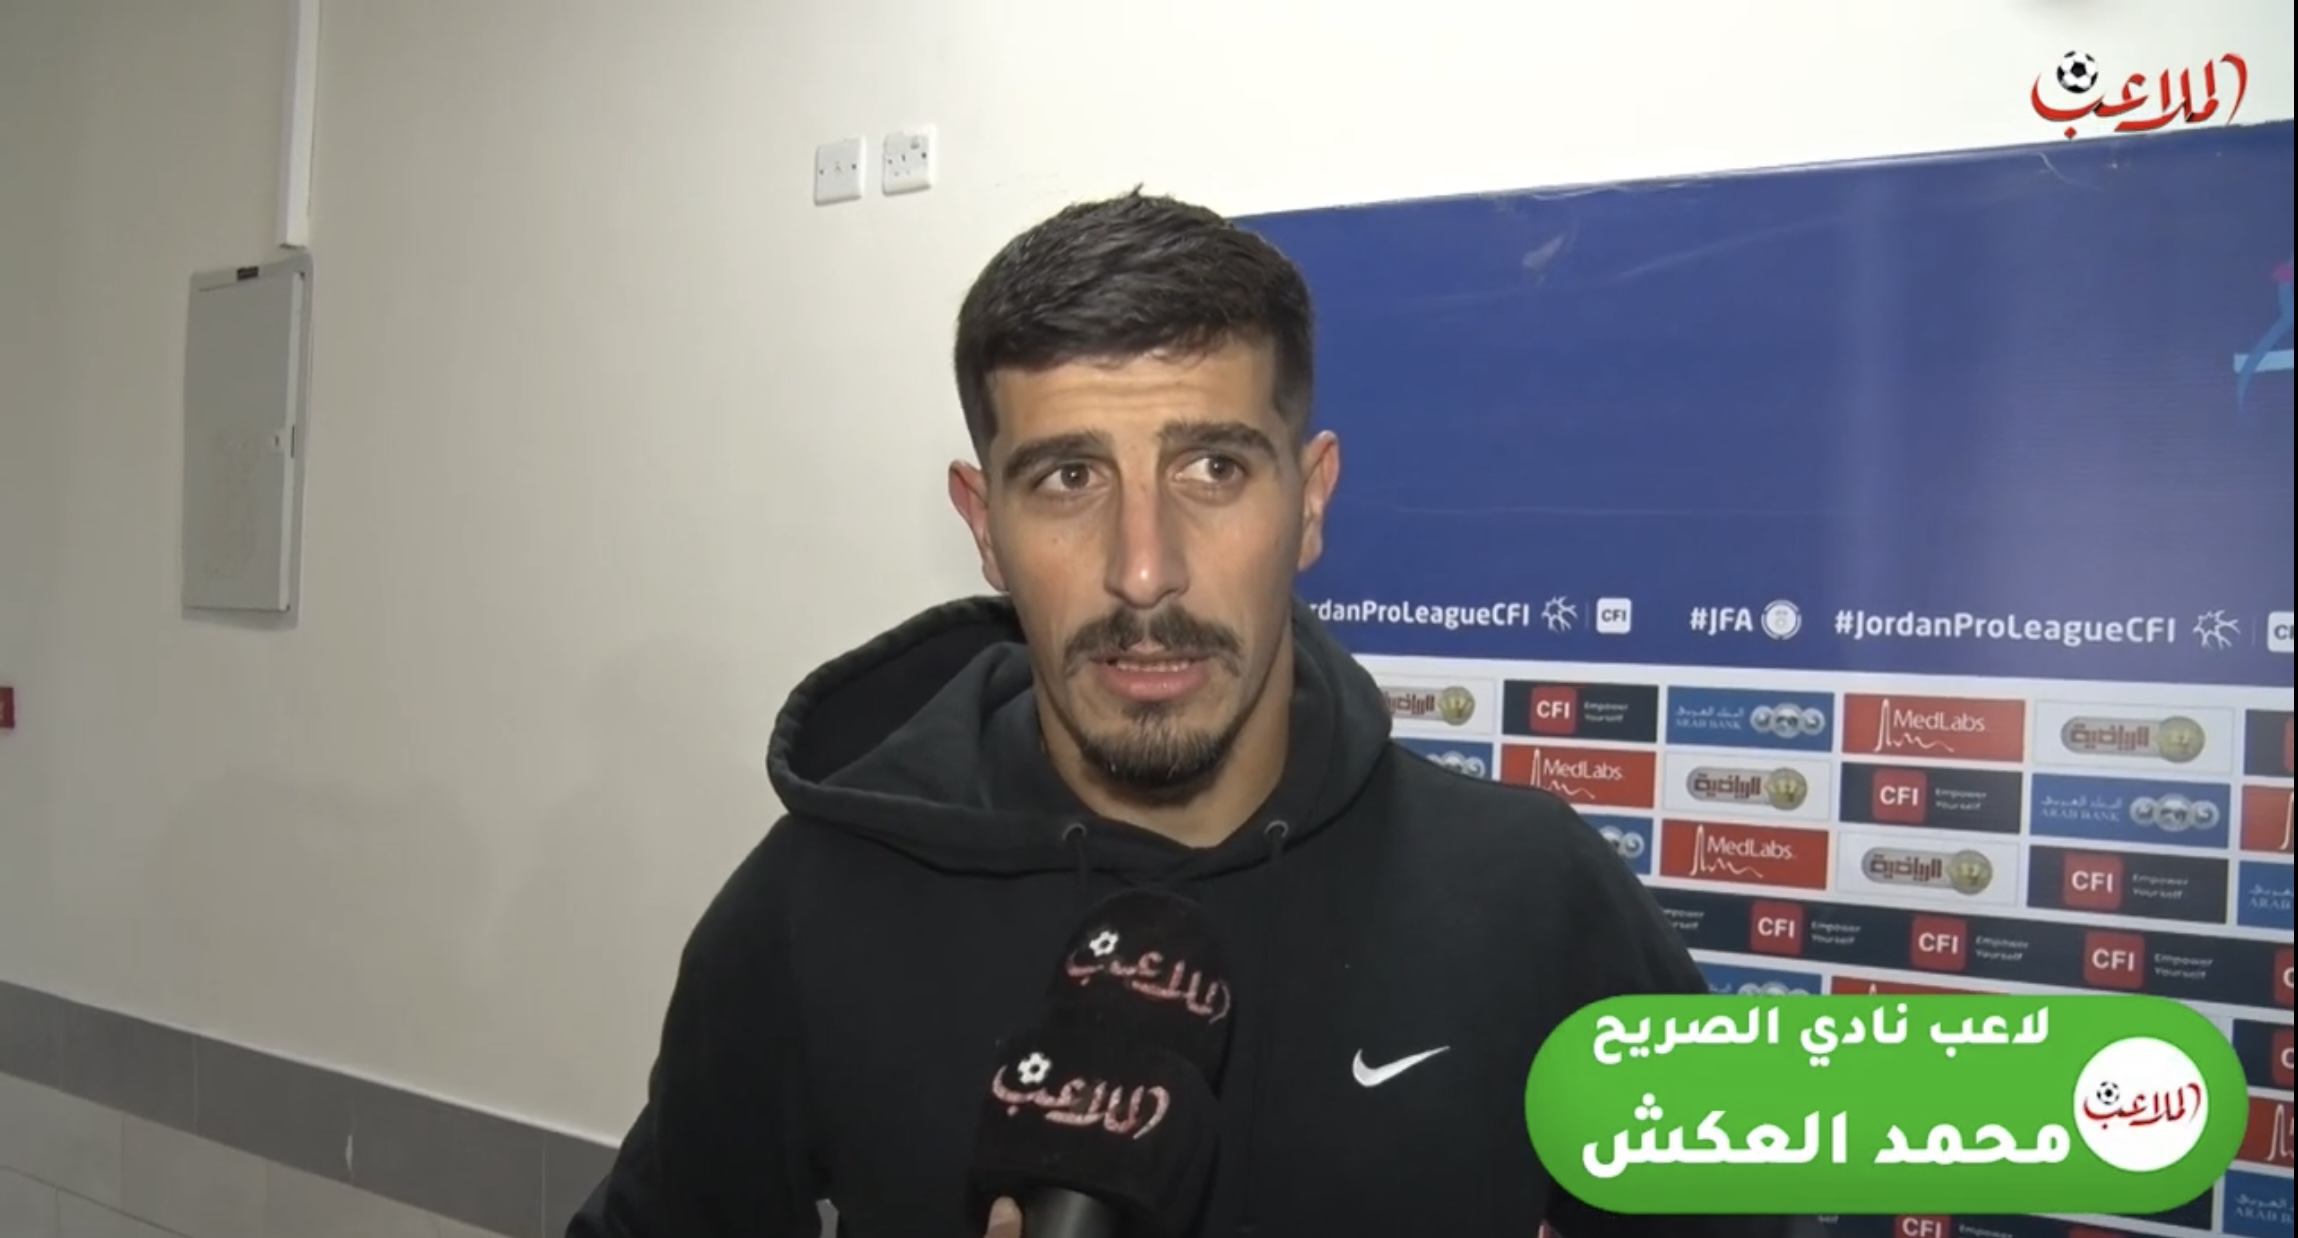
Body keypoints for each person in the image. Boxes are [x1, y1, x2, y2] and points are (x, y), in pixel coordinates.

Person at [567, 190, 1810, 1237]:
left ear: (1309, 501)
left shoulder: (1540, 894)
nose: (1144, 569)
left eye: (1213, 467)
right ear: (985, 526)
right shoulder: (810, 906)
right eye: (1069, 476)